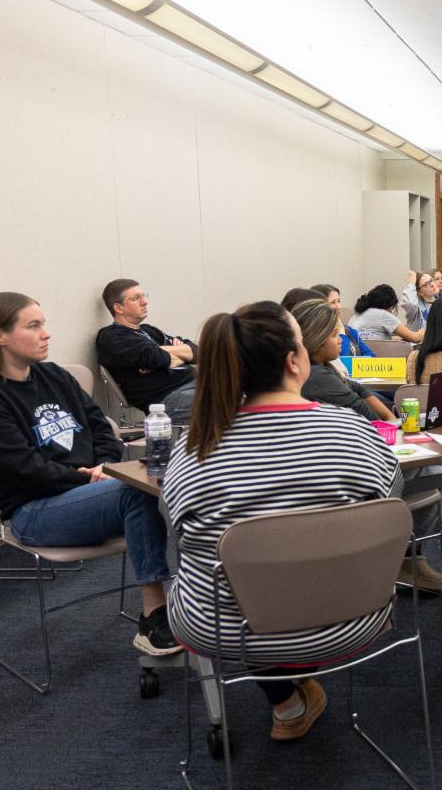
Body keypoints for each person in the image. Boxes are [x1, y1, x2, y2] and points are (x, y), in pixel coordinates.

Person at [164, 300, 401, 741]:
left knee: (241, 578)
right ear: (295, 361)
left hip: (230, 628)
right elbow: (390, 507)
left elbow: (182, 532)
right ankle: (295, 693)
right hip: (351, 614)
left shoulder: (193, 448)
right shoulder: (352, 431)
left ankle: (288, 704)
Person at [0, 292, 178, 656]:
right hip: (34, 512)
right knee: (137, 490)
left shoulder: (54, 375)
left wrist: (104, 468)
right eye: (33, 326)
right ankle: (155, 614)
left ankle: (184, 602)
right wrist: (92, 477)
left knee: (149, 485)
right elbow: (25, 470)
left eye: (43, 324)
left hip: (91, 492)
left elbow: (101, 428)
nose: (46, 334)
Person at [95, 279, 198, 423]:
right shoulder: (111, 337)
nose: (144, 302)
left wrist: (162, 354)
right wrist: (176, 355)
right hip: (167, 401)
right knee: (229, 396)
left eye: (144, 296)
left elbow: (196, 352)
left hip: (194, 385)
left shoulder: (150, 331)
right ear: (118, 308)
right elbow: (157, 358)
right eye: (136, 298)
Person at [292, 299, 395, 422]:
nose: (340, 339)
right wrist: (390, 421)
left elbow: (357, 387)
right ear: (317, 339)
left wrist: (390, 417)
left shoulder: (324, 367)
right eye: (335, 335)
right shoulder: (318, 376)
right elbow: (368, 416)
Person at [350, 284, 424, 343]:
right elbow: (416, 338)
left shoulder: (355, 316)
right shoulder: (382, 315)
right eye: (392, 308)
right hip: (378, 360)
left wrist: (401, 336)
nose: (391, 312)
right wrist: (425, 328)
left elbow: (376, 338)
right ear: (388, 305)